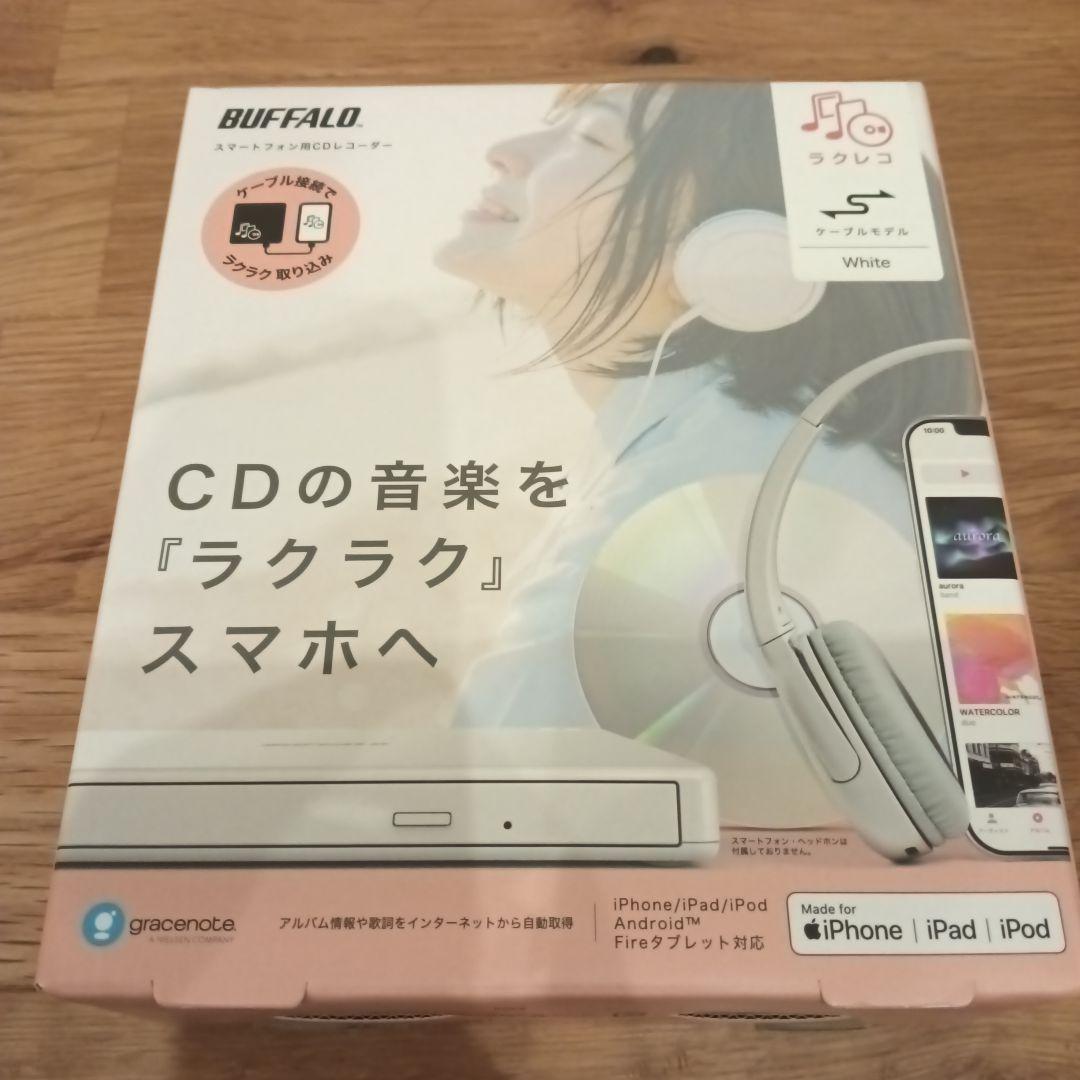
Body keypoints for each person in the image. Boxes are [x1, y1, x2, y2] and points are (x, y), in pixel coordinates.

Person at [435, 83, 981, 825]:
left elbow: (482, 805)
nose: (506, 152)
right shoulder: (738, 446)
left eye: (591, 139)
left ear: (738, 258)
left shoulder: (726, 485)